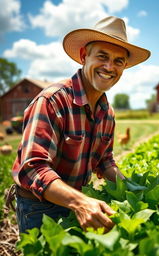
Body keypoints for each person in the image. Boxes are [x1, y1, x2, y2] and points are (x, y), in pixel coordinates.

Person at [12, 16, 151, 234]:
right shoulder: (52, 101)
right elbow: (32, 169)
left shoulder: (107, 113)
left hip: (78, 201)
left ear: (124, 67)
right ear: (84, 56)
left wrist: (134, 189)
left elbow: (105, 162)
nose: (109, 67)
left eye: (118, 61)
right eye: (102, 56)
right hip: (39, 208)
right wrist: (81, 202)